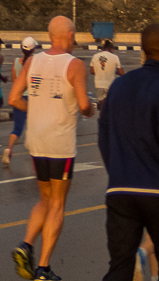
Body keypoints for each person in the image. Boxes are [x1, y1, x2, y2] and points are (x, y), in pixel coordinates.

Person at [99, 24, 159, 281]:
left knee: (119, 267)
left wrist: (117, 172)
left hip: (119, 190)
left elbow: (103, 135)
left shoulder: (118, 85)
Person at [8, 16, 95, 281]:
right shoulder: (75, 65)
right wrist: (92, 110)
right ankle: (43, 268)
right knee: (58, 203)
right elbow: (83, 105)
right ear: (68, 34)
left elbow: (13, 98)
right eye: (74, 34)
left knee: (45, 199)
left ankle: (26, 244)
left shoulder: (32, 61)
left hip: (35, 140)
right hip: (59, 142)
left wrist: (35, 110)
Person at [3, 36, 39, 168]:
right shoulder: (35, 62)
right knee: (33, 128)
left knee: (17, 128)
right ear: (34, 49)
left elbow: (14, 81)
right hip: (31, 98)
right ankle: (35, 156)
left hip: (18, 98)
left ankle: (9, 149)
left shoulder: (16, 62)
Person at [92, 39, 125, 106]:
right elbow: (122, 73)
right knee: (110, 104)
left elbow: (92, 71)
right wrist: (114, 71)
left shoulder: (95, 56)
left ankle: (102, 115)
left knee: (102, 104)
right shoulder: (115, 57)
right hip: (110, 85)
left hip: (98, 84)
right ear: (111, 49)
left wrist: (100, 70)